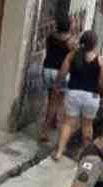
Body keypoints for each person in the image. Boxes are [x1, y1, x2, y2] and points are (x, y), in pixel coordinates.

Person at [52, 30, 103, 161]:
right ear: (95, 44)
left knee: (68, 123)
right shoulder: (100, 60)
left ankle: (59, 152)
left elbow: (62, 73)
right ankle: (86, 156)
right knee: (87, 126)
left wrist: (57, 85)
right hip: (91, 97)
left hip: (73, 94)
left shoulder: (72, 55)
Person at [39, 15, 76, 143]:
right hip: (61, 74)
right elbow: (73, 59)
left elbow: (49, 50)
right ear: (69, 26)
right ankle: (46, 131)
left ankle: (53, 122)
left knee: (50, 98)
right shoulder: (71, 42)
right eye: (72, 23)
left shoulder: (50, 37)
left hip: (47, 70)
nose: (74, 25)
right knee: (57, 103)